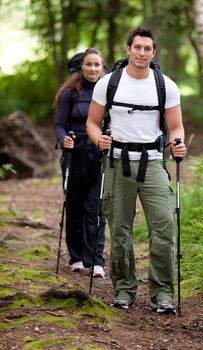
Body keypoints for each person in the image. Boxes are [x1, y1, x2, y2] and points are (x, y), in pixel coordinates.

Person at [86, 27, 187, 313]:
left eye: (147, 48)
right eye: (137, 47)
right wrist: (99, 139)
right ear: (127, 49)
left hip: (153, 163)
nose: (142, 53)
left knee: (164, 225)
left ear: (154, 53)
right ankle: (124, 290)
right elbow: (92, 123)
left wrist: (177, 143)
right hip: (117, 162)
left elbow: (175, 126)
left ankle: (163, 293)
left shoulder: (165, 85)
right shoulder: (108, 83)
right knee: (119, 229)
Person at [54, 48, 106, 278]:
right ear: (81, 67)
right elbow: (59, 124)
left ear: (102, 67)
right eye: (89, 64)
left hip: (99, 154)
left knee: (95, 208)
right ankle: (76, 257)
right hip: (74, 154)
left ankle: (94, 260)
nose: (93, 69)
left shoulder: (109, 92)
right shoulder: (70, 94)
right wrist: (62, 138)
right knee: (74, 206)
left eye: (97, 65)